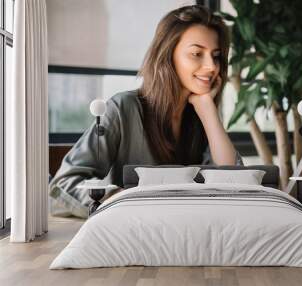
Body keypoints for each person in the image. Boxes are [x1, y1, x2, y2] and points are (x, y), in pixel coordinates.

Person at [49, 5, 243, 218]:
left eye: (216, 56)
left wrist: (208, 112)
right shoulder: (122, 108)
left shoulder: (201, 115)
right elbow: (64, 184)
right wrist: (121, 201)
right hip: (135, 232)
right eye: (197, 53)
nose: (212, 66)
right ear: (168, 55)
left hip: (192, 231)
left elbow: (232, 182)